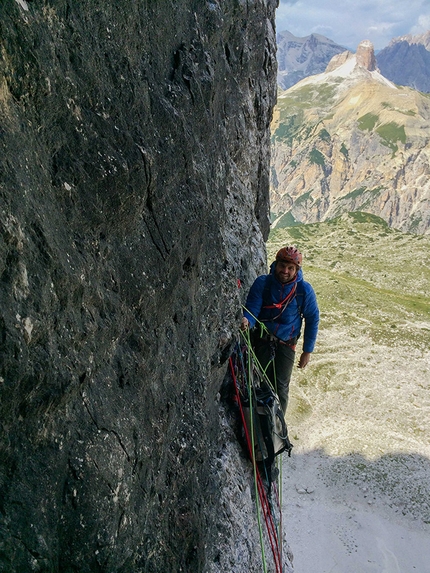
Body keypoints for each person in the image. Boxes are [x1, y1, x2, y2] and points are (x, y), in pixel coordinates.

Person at [240, 246, 319, 414]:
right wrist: (248, 320)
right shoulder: (263, 283)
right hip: (262, 340)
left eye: (291, 268)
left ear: (297, 270)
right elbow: (253, 308)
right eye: (282, 266)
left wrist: (307, 351)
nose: (285, 271)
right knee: (260, 381)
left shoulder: (304, 290)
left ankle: (278, 424)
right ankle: (260, 418)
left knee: (281, 386)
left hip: (286, 344)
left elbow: (312, 319)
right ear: (276, 265)